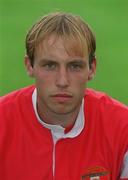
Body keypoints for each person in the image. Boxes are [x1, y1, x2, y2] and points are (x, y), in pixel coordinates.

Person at [0, 12, 128, 180]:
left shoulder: (123, 128)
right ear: (30, 66)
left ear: (92, 68)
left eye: (74, 66)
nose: (62, 81)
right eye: (50, 65)